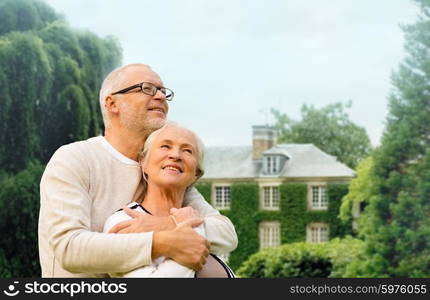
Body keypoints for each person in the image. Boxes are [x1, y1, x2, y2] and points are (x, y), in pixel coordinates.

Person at [38, 63, 238, 277]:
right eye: (147, 88)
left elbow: (225, 233)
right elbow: (69, 249)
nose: (160, 96)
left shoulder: (162, 171)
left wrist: (166, 224)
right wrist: (161, 242)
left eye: (163, 91)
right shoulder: (75, 159)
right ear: (112, 103)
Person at [104, 122, 235, 277]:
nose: (175, 155)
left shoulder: (195, 215)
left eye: (187, 150)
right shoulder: (125, 221)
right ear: (143, 162)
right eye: (165, 146)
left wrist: (176, 224)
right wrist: (190, 232)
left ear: (196, 174)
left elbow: (229, 237)